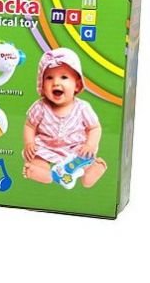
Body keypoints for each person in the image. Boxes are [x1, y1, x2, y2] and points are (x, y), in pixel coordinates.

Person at [23, 47, 106, 187]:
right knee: (36, 156)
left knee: (85, 158)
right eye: (49, 78)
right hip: (47, 147)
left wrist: (90, 145)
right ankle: (41, 172)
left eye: (64, 77)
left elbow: (94, 128)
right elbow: (29, 126)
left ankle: (93, 169)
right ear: (42, 84)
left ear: (77, 85)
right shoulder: (40, 107)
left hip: (75, 148)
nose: (56, 82)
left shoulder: (83, 108)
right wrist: (29, 143)